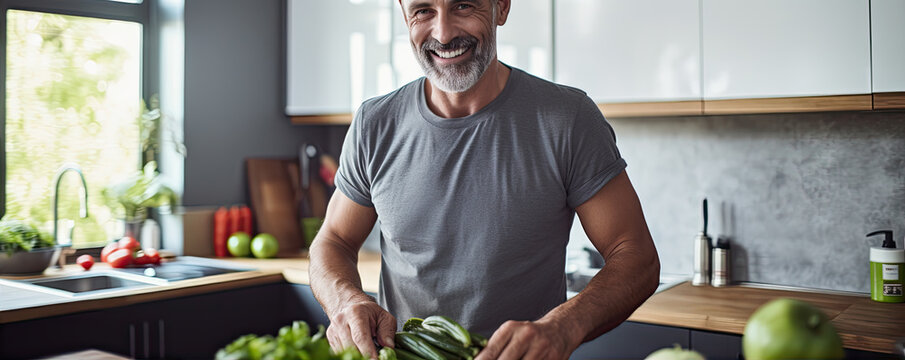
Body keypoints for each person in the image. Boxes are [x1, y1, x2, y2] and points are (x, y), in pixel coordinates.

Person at [307, 0, 661, 359]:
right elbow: (333, 240)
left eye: (463, 6)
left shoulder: (567, 119)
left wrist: (564, 326)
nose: (443, 34)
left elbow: (636, 257)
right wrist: (346, 300)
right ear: (404, 15)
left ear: (501, 8)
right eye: (423, 10)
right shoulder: (374, 123)